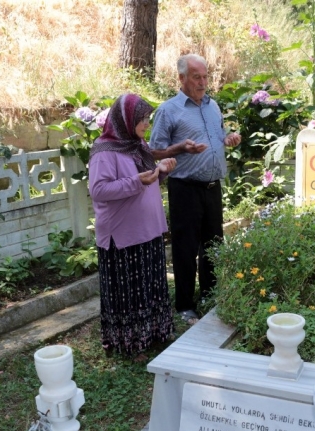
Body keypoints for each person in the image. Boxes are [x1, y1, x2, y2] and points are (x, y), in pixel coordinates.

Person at [149, 54, 241, 325]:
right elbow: (154, 151)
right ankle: (186, 305)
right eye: (196, 77)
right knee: (186, 248)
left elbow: (217, 137)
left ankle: (210, 296)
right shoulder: (169, 110)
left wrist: (228, 139)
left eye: (205, 77)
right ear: (182, 78)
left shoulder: (213, 106)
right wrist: (180, 148)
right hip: (185, 188)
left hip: (213, 187)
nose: (203, 83)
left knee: (213, 246)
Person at [88, 93, 177, 356]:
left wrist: (161, 171)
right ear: (125, 119)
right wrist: (138, 182)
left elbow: (145, 181)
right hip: (123, 236)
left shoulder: (136, 144)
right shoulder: (104, 151)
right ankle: (130, 342)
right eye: (142, 119)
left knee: (150, 288)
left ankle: (153, 334)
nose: (147, 124)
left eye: (147, 118)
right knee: (129, 293)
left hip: (147, 231)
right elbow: (99, 190)